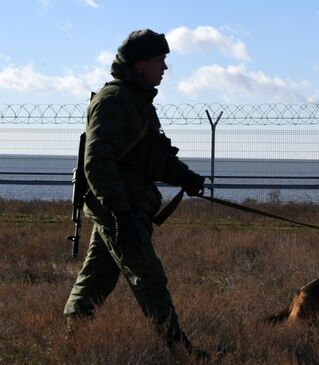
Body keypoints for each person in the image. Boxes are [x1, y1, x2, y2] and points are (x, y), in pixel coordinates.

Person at [63, 29, 209, 359]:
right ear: (141, 63)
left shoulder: (135, 101)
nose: (165, 68)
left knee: (96, 278)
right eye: (160, 61)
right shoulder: (114, 102)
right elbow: (97, 163)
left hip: (125, 206)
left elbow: (151, 157)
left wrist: (185, 177)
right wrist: (121, 213)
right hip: (120, 208)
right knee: (150, 278)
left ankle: (72, 343)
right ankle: (180, 350)